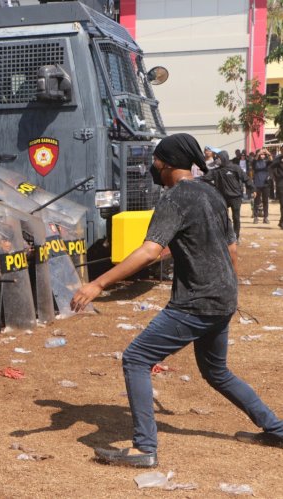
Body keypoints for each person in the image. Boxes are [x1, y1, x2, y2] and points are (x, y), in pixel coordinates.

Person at [70, 133, 283, 468]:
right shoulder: (210, 193)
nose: (153, 166)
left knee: (137, 358)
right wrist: (227, 287)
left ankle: (144, 448)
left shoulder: (174, 198)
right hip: (223, 295)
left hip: (196, 300)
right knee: (217, 372)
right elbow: (229, 247)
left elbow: (149, 249)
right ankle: (277, 430)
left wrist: (97, 283)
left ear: (166, 163)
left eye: (156, 160)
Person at [202, 150, 255, 242]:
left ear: (224, 158)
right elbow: (204, 179)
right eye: (216, 159)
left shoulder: (235, 168)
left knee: (236, 218)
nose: (217, 160)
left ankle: (236, 236)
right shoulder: (215, 171)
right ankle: (225, 235)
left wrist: (252, 189)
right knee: (222, 217)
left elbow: (246, 179)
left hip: (236, 197)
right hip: (222, 198)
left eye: (218, 158)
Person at [251, 149, 272, 223]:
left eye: (263, 154)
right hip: (257, 184)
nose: (262, 155)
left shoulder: (267, 161)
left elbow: (272, 160)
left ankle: (265, 217)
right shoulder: (255, 162)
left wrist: (268, 153)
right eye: (261, 154)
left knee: (265, 201)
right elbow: (254, 161)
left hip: (265, 184)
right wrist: (258, 153)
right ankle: (256, 217)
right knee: (256, 201)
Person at [270, 153, 283, 229]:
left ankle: (281, 221)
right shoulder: (278, 159)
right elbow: (271, 167)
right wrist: (276, 176)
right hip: (281, 183)